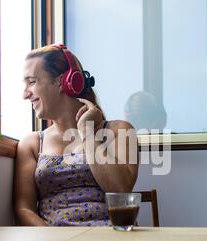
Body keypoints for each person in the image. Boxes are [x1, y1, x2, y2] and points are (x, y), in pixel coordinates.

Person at [13, 44, 139, 226]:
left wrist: (87, 131)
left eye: (32, 82)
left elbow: (120, 190)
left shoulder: (121, 131)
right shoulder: (32, 144)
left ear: (63, 81)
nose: (25, 94)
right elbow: (24, 209)